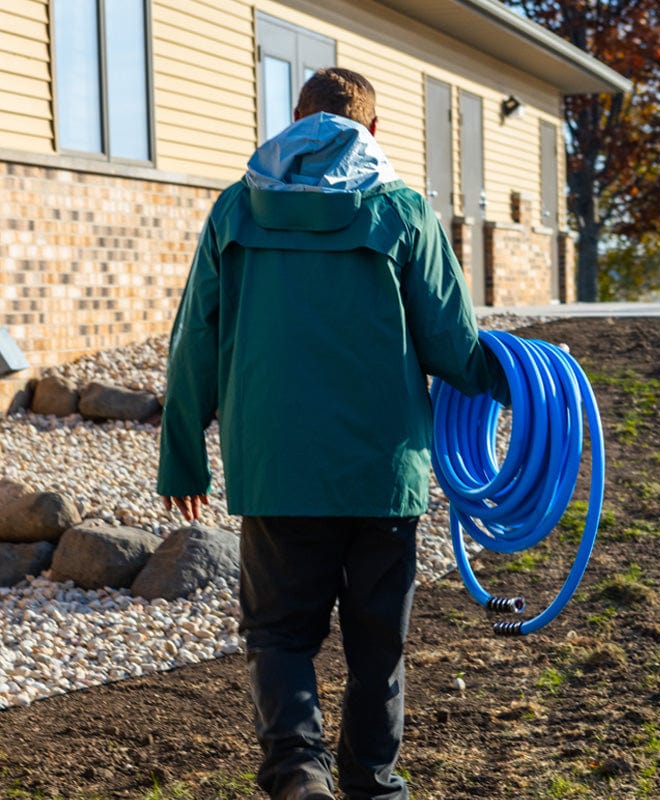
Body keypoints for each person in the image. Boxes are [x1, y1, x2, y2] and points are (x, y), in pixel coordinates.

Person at [157, 67, 506, 800]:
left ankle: (299, 778)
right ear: (372, 131)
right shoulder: (403, 211)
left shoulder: (234, 210)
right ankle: (373, 786)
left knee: (280, 636)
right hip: (383, 473)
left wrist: (183, 460)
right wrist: (522, 380)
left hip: (278, 471)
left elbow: (194, 340)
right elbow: (453, 349)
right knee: (378, 645)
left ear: (294, 119)